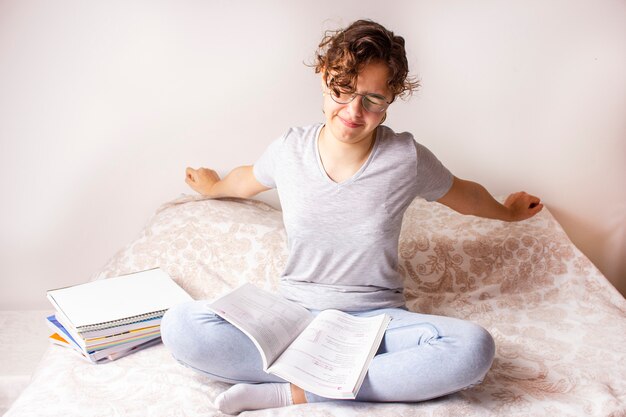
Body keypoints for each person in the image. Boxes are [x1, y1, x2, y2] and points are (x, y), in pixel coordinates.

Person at [160, 19, 543, 415]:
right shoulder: (289, 150)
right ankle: (347, 380)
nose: (354, 111)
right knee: (181, 325)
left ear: (392, 98)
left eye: (373, 100)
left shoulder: (405, 159)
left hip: (376, 324)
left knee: (472, 349)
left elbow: (466, 195)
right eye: (342, 91)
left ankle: (298, 392)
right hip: (294, 320)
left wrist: (509, 213)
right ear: (324, 75)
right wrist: (212, 186)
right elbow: (245, 181)